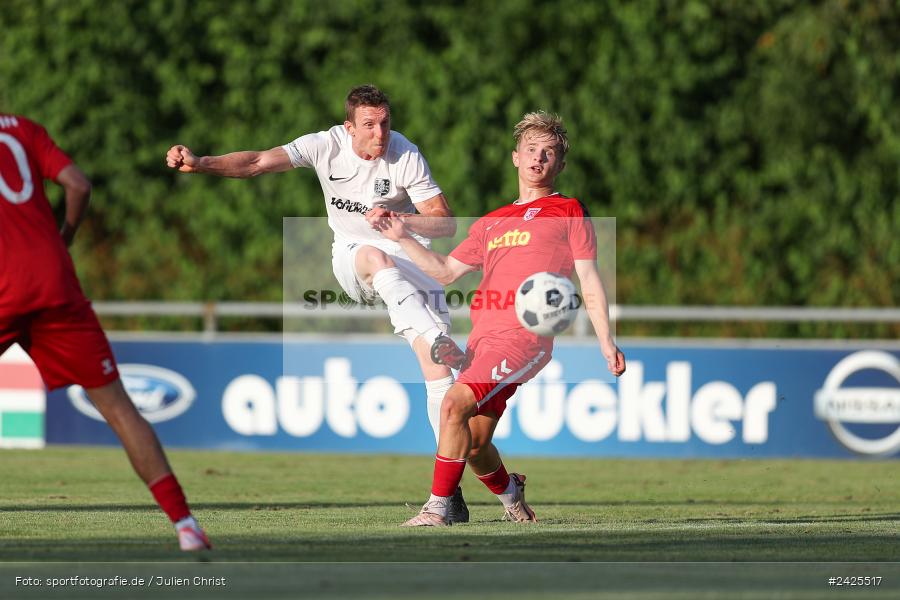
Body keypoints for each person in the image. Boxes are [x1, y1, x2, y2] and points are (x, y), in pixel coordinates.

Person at [165, 84, 470, 521]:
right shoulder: (323, 145)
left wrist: (401, 218)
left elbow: (444, 224)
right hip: (354, 261)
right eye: (369, 125)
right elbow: (255, 163)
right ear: (349, 127)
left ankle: (458, 497)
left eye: (385, 123)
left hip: (411, 259)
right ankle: (431, 332)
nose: (380, 134)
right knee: (375, 256)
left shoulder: (405, 154)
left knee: (443, 383)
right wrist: (200, 162)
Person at [373, 111, 626, 526]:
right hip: (483, 339)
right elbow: (445, 270)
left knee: (452, 405)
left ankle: (438, 509)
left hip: (525, 337)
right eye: (531, 150)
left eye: (549, 153)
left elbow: (589, 278)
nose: (538, 158)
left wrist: (605, 342)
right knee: (472, 442)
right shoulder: (492, 222)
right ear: (515, 157)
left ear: (560, 164)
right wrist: (400, 236)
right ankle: (513, 497)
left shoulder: (568, 210)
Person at [0, 113, 210, 550]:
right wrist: (66, 236)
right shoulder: (22, 128)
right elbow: (78, 185)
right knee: (118, 408)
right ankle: (185, 525)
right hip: (52, 278)